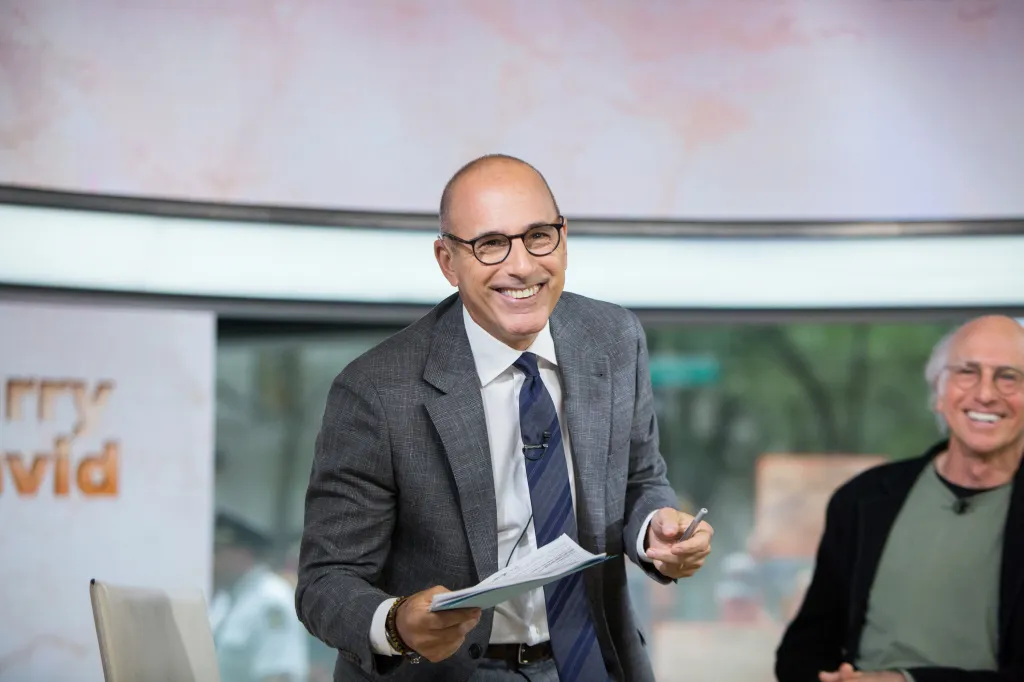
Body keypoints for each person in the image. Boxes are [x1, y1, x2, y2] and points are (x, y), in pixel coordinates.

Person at [296, 154, 713, 682]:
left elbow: (638, 479)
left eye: (539, 235)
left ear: (564, 236)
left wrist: (657, 528)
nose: (521, 266)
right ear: (447, 261)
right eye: (491, 244)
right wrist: (397, 625)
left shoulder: (613, 338)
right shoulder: (376, 392)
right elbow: (326, 581)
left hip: (593, 662)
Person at [775, 315, 1024, 682]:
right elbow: (802, 653)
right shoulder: (863, 501)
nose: (985, 393)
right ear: (938, 393)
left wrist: (905, 680)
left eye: (1009, 376)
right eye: (967, 372)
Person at [210, 512, 310, 682]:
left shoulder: (271, 600)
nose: (211, 559)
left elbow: (278, 675)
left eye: (217, 551)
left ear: (244, 555)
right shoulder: (225, 600)